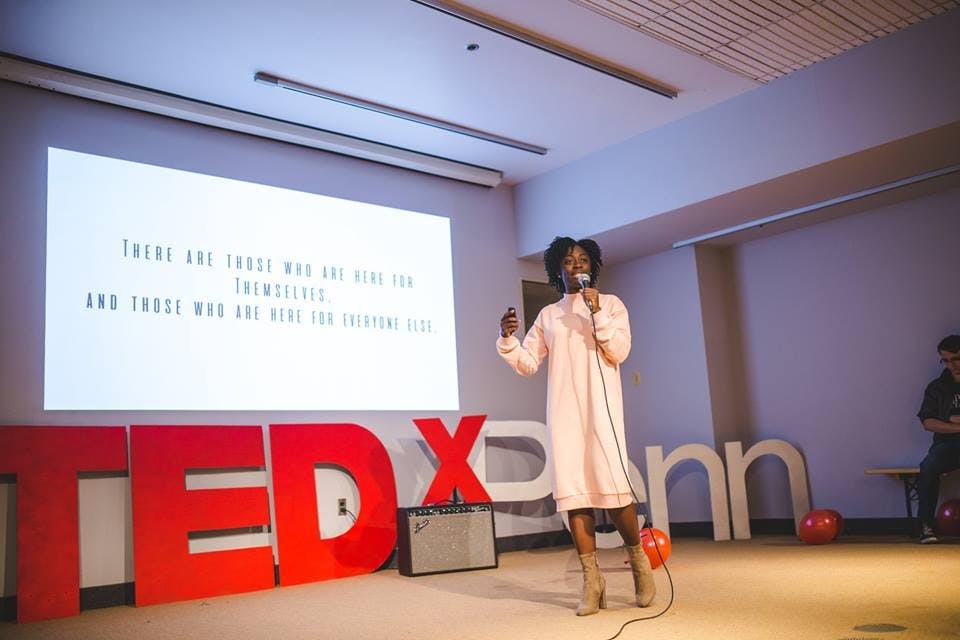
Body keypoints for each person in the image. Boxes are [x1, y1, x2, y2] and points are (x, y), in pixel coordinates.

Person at [496, 236, 654, 615]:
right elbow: (528, 363)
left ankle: (640, 565)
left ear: (592, 266)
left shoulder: (612, 305)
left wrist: (596, 312)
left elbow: (618, 352)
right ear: (557, 269)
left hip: (603, 413)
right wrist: (507, 338)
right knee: (575, 495)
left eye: (583, 260)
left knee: (614, 492)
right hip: (565, 413)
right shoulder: (550, 315)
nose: (577, 266)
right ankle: (591, 580)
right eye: (569, 261)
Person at [916, 334, 960, 544]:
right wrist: (954, 425)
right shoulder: (937, 387)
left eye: (956, 359)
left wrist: (951, 419)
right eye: (946, 360)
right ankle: (926, 525)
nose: (951, 365)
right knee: (929, 465)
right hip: (947, 445)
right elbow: (927, 422)